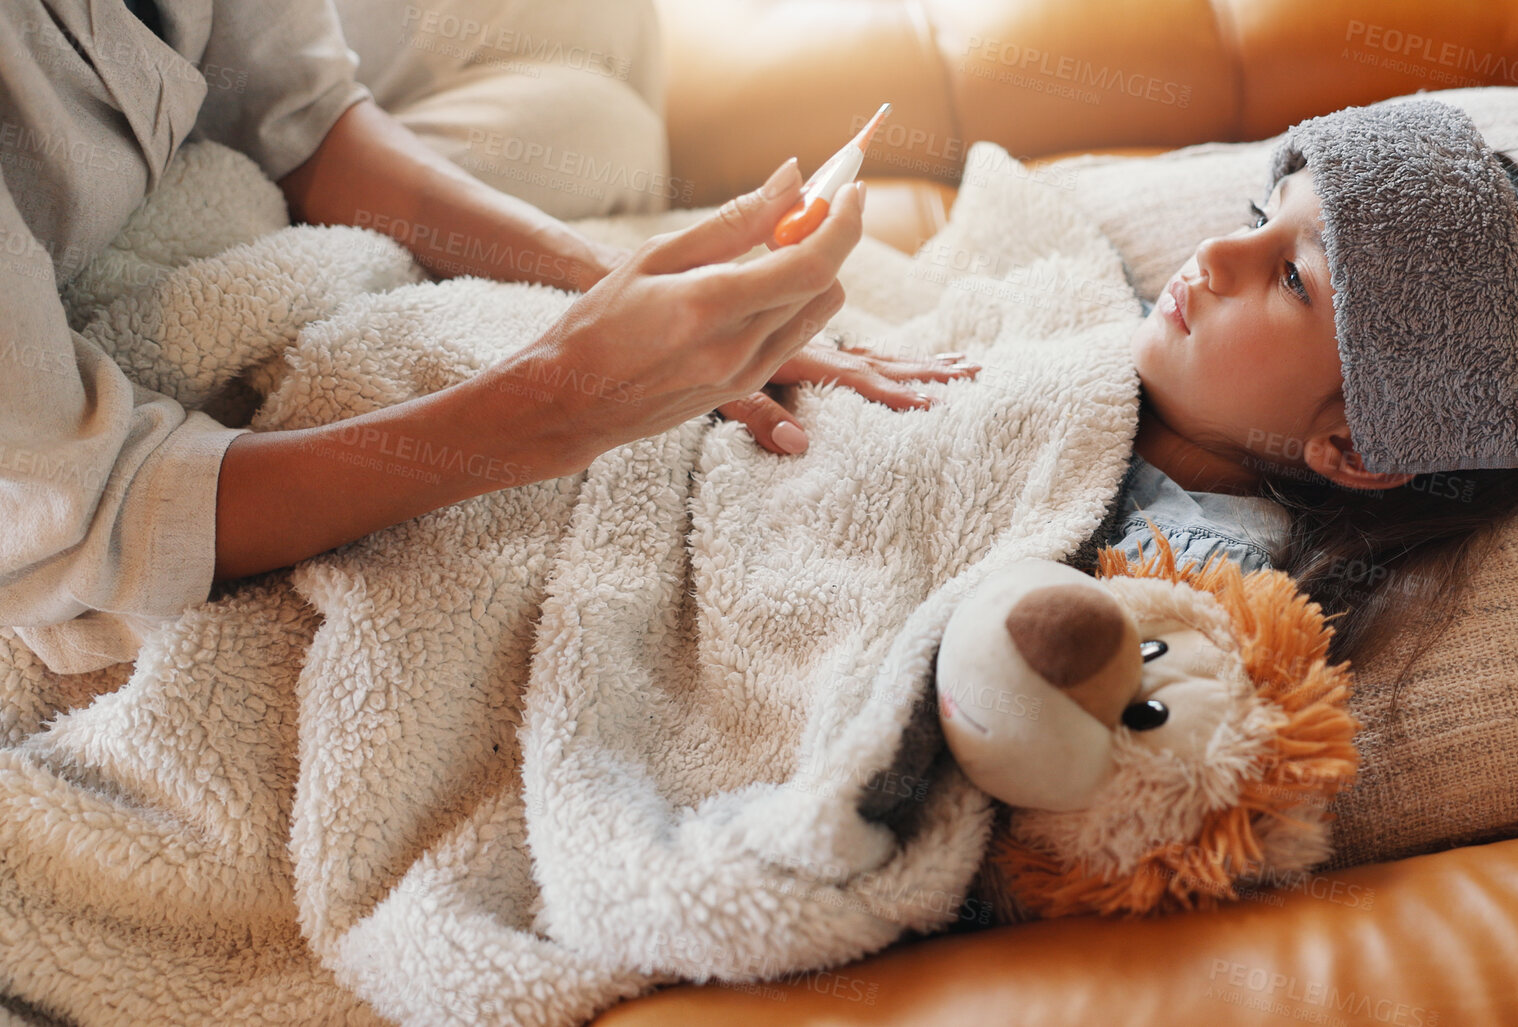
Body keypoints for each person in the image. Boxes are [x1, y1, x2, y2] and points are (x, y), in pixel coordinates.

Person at [0, 0, 973, 671]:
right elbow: (91, 524)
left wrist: (630, 283)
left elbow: (303, 121)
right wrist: (561, 399)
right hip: (83, 440)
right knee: (596, 125)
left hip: (195, 192)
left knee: (597, 80)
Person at [1106, 100, 1518, 671]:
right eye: (1258, 218)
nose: (1214, 252)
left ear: (1354, 446)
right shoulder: (1093, 293)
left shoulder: (1188, 580)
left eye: (1293, 279)